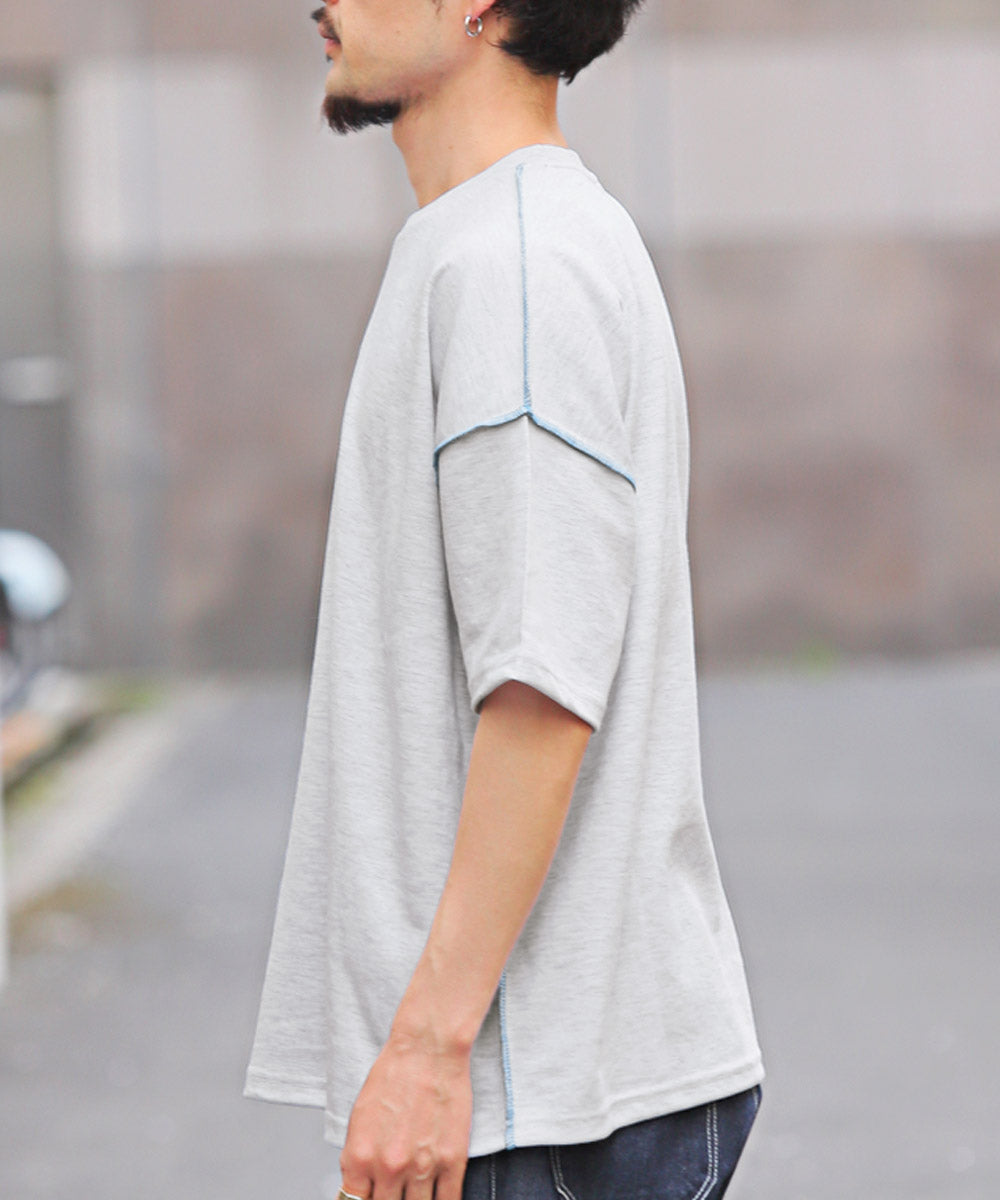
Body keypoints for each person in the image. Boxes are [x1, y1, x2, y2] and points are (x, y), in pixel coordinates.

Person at [242, 1, 766, 1197]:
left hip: (538, 1102)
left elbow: (541, 687)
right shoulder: (487, 242)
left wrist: (428, 1050)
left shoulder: (514, 270)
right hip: (530, 1086)